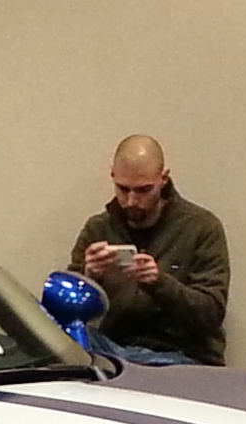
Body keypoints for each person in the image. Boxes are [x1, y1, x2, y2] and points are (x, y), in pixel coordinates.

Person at [65, 133, 230, 366]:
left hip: (180, 355)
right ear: (112, 176)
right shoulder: (98, 228)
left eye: (144, 190)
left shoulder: (201, 227)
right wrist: (88, 278)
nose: (132, 201)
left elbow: (211, 315)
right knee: (63, 342)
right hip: (115, 350)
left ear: (163, 179)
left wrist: (159, 283)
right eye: (123, 189)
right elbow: (66, 313)